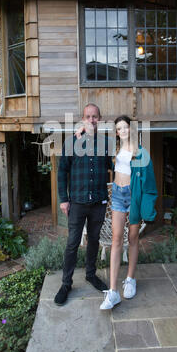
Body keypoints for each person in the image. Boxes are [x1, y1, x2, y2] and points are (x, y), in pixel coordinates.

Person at [54, 104, 113, 306]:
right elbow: (62, 172)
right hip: (77, 203)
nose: (91, 120)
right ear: (82, 118)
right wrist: (63, 198)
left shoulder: (106, 143)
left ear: (99, 119)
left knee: (94, 240)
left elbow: (113, 166)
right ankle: (66, 283)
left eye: (95, 116)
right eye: (88, 116)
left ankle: (90, 274)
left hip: (98, 202)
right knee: (72, 243)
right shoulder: (71, 142)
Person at [100, 115, 158, 310]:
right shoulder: (115, 149)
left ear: (131, 129)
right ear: (116, 132)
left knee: (133, 238)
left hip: (133, 196)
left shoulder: (141, 153)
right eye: (119, 128)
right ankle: (113, 291)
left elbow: (150, 184)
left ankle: (131, 278)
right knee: (117, 239)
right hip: (117, 194)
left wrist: (147, 207)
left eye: (125, 127)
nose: (123, 131)